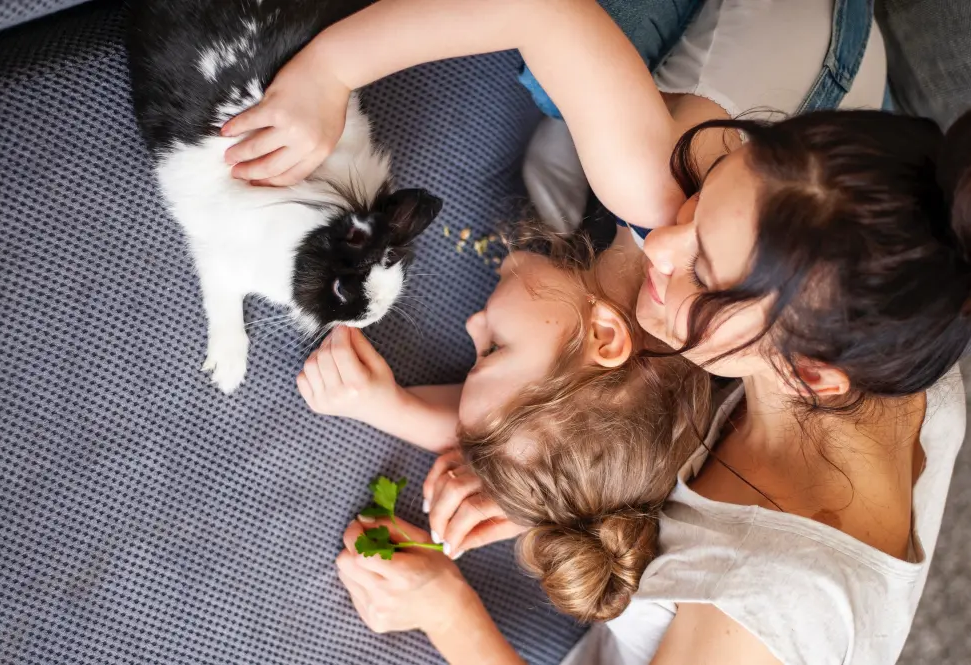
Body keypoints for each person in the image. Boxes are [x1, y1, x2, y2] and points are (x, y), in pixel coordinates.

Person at [223, 1, 971, 663]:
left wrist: (448, 613)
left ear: (808, 376)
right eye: (710, 198)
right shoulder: (879, 320)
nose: (661, 240)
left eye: (702, 268)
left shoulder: (770, 615)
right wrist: (327, 72)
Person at [300, 223, 710, 623]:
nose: (472, 325)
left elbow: (519, 419)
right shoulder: (646, 191)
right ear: (604, 335)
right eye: (492, 348)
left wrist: (389, 406)